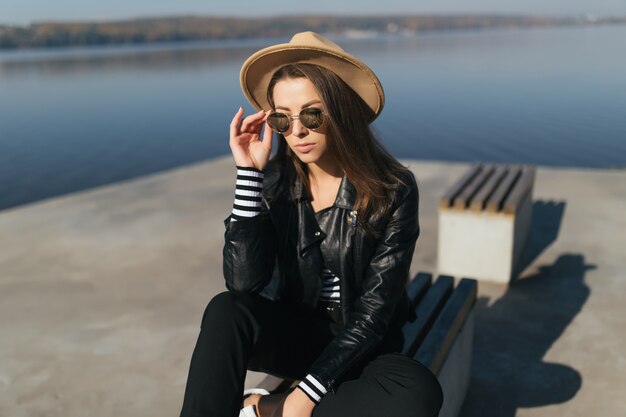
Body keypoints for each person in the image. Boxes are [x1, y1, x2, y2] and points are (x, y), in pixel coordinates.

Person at [179, 32, 444, 417]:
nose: (297, 131)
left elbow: (372, 318)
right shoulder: (273, 182)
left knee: (417, 394)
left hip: (364, 346)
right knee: (225, 311)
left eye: (311, 114)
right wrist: (248, 175)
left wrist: (301, 398)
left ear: (341, 110)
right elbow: (242, 284)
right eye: (282, 119)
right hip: (296, 336)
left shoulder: (392, 190)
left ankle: (261, 406)